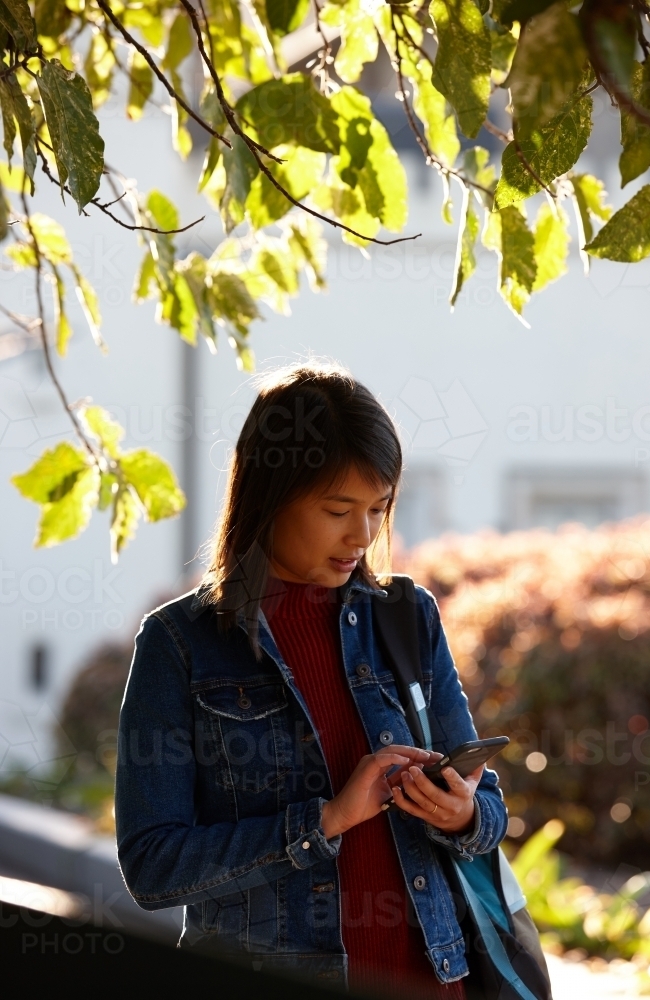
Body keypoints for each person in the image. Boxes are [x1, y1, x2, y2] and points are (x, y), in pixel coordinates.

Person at [115, 361, 508, 998]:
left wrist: (461, 814)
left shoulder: (407, 618)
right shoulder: (179, 645)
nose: (363, 534)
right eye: (337, 509)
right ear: (270, 495)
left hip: (434, 980)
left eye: (379, 508)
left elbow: (489, 810)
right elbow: (153, 867)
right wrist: (324, 821)